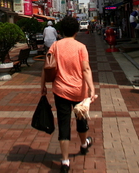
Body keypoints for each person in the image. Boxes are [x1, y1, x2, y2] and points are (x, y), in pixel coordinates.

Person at [40, 17, 97, 172]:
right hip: (80, 91)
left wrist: (43, 86)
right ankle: (84, 144)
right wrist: (92, 88)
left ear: (61, 31)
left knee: (63, 124)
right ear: (76, 31)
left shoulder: (55, 46)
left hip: (60, 91)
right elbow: (86, 69)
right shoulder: (81, 47)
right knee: (81, 119)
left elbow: (47, 66)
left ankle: (65, 161)